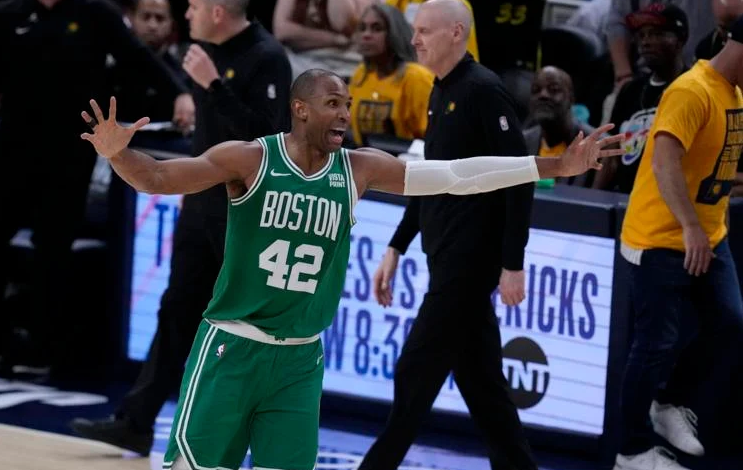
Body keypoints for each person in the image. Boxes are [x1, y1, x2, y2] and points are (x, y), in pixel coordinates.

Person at [77, 68, 622, 470]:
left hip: (298, 361)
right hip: (232, 349)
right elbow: (159, 179)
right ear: (300, 109)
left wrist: (555, 165)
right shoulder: (249, 159)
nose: (344, 113)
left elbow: (456, 175)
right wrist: (118, 155)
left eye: (349, 103)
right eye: (334, 103)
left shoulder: (357, 170)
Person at [69, 0, 292, 456]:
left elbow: (270, 140)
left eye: (192, 6)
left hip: (244, 216)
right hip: (199, 208)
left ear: (216, 11)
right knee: (175, 313)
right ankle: (136, 420)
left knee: (239, 328)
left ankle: (251, 435)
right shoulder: (202, 52)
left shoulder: (267, 57)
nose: (186, 14)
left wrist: (213, 86)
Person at [357, 0, 538, 469]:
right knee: (485, 391)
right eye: (414, 31)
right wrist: (397, 244)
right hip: (445, 257)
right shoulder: (441, 92)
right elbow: (428, 181)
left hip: (469, 265)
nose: (413, 39)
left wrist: (512, 262)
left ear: (456, 33)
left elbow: (521, 177)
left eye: (424, 31)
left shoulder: (484, 91)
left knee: (414, 371)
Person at [0, 0, 193, 376]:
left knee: (52, 249)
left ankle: (40, 347)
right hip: (12, 147)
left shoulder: (95, 13)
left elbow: (137, 57)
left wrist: (179, 93)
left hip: (69, 152)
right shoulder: (10, 13)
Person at [614, 14, 743, 470]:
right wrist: (689, 225)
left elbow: (713, 165)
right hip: (659, 236)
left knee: (729, 321)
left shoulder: (734, 93)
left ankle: (668, 405)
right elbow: (664, 161)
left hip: (711, 234)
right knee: (655, 344)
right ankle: (630, 450)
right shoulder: (692, 90)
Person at [593, 3, 688, 194]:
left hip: (669, 201)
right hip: (625, 199)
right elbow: (611, 155)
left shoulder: (692, 88)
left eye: (656, 34)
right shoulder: (631, 90)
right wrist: (593, 197)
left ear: (678, 40)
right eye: (642, 35)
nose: (645, 42)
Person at [347, 2, 433, 147]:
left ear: (395, 33)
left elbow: (431, 137)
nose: (367, 35)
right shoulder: (361, 74)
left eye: (377, 28)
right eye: (362, 28)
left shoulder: (416, 77)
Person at [524, 66, 596, 187]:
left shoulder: (597, 146)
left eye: (554, 89)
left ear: (571, 98)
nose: (543, 95)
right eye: (536, 90)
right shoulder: (521, 142)